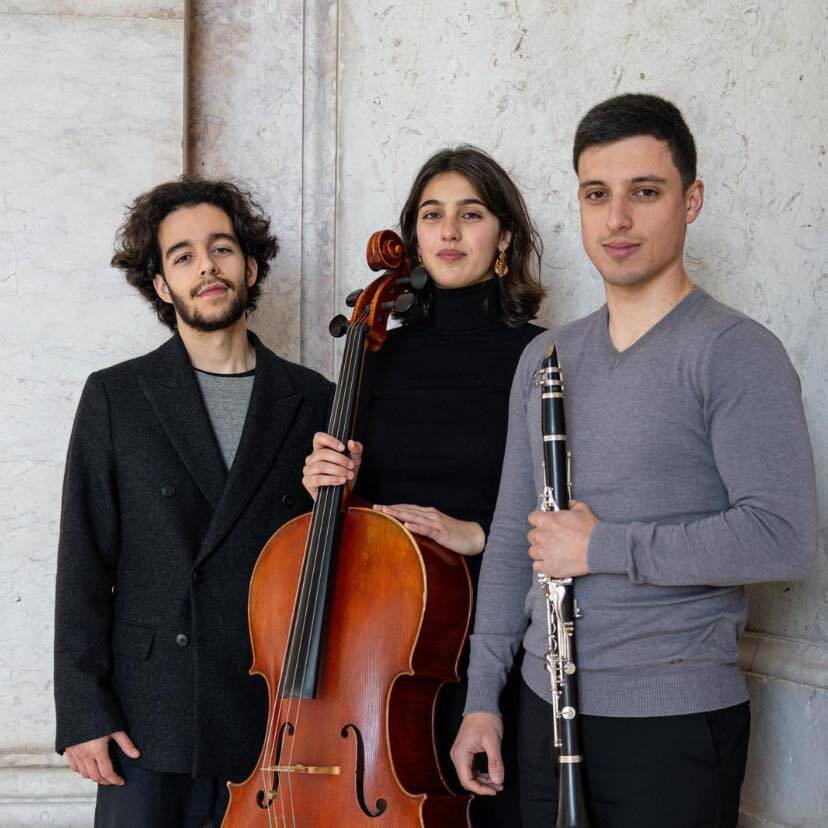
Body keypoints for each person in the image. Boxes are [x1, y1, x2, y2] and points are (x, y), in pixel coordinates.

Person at [451, 94, 817, 827]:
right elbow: (515, 539)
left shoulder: (736, 352)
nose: (616, 219)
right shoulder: (545, 357)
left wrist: (603, 547)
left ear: (691, 201)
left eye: (644, 192)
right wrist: (482, 698)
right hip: (541, 708)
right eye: (597, 194)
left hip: (671, 723)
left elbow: (783, 536)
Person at [53, 178, 333, 827]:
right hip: (148, 717)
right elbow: (83, 561)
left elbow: (332, 571)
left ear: (250, 266)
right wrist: (84, 712)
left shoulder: (314, 398)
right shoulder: (117, 396)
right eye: (183, 256)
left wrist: (337, 499)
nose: (206, 266)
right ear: (161, 284)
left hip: (271, 713)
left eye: (221, 248)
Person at [302, 145, 545, 826]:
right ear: (412, 236)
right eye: (432, 215)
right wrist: (328, 486)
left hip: (499, 635)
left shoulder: (542, 356)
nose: (449, 231)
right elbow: (357, 521)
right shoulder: (374, 353)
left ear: (504, 237)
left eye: (471, 214)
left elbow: (575, 507)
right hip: (384, 652)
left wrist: (481, 536)